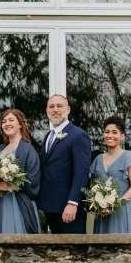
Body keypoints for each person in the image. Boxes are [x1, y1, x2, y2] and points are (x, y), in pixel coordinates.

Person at [38, 94, 91, 234]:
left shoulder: (78, 135)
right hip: (49, 208)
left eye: (59, 106)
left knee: (73, 253)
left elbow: (81, 172)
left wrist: (73, 203)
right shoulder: (48, 136)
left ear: (68, 109)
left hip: (69, 208)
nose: (55, 109)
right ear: (47, 110)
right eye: (51, 106)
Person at [0, 109, 41, 234]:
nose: (7, 123)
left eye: (11, 120)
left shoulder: (28, 150)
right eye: (4, 121)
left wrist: (7, 186)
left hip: (17, 202)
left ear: (20, 124)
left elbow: (32, 181)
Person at [89, 116, 131, 234]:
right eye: (107, 132)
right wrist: (99, 203)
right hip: (102, 213)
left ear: (122, 136)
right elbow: (93, 186)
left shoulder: (129, 156)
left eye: (114, 132)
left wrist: (115, 203)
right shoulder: (98, 159)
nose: (110, 135)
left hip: (122, 211)